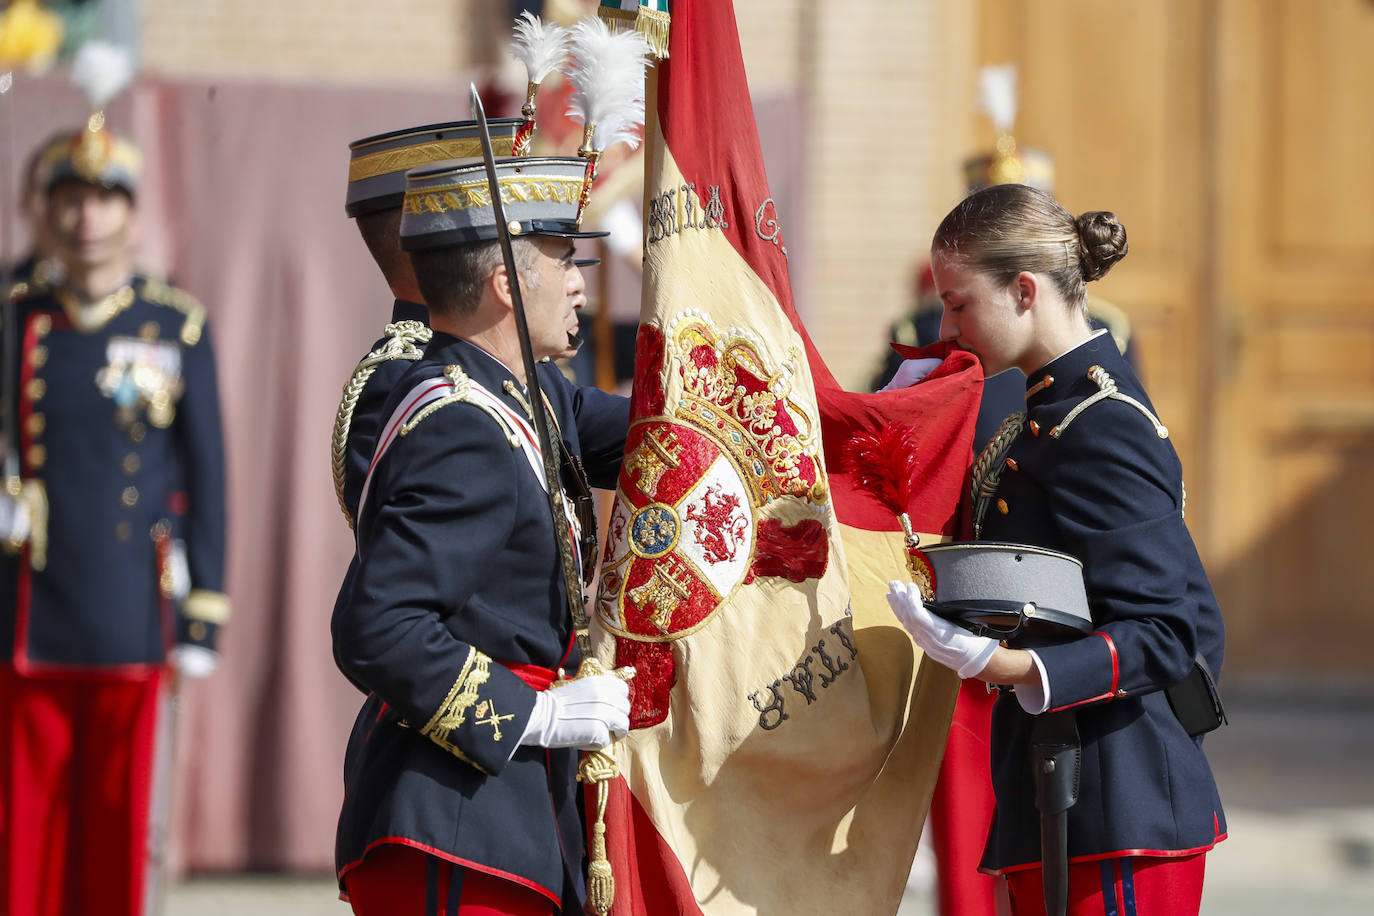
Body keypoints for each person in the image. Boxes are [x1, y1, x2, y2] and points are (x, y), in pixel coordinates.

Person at [885, 183, 1226, 916]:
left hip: (1119, 805)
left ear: (1025, 290)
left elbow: (1168, 631)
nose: (946, 328)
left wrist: (1010, 665)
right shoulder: (1041, 412)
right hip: (1058, 790)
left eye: (960, 303)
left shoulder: (1103, 423)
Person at [331, 155, 632, 916]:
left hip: (502, 811)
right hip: (455, 822)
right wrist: (535, 715)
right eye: (564, 259)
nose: (579, 281)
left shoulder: (523, 387)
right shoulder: (464, 426)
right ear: (505, 281)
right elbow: (377, 626)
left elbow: (652, 434)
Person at [0, 123, 228, 916]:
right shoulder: (14, 317)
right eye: (69, 200)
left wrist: (204, 618)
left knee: (120, 819)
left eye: (104, 200)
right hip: (28, 604)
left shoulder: (176, 325)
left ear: (131, 214)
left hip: (132, 604)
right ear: (45, 210)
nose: (86, 218)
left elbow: (208, 475)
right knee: (22, 825)